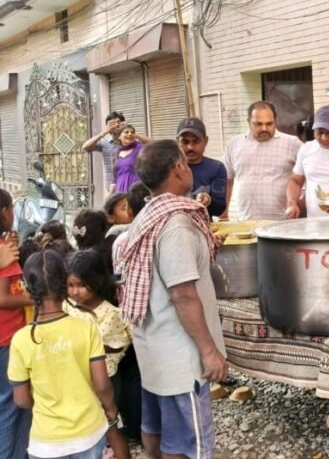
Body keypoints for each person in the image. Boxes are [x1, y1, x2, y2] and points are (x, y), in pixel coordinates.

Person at [117, 140, 227, 458]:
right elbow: (183, 294)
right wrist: (209, 352)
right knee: (190, 445)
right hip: (181, 358)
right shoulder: (175, 223)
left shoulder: (146, 215)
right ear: (178, 169)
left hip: (154, 351)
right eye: (185, 163)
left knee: (158, 432)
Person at [8, 249, 125, 459]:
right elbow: (102, 384)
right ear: (64, 286)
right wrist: (110, 408)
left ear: (27, 288)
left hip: (46, 441)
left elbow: (22, 400)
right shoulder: (86, 329)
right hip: (89, 432)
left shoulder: (20, 340)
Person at [65, 250, 133, 457]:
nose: (75, 291)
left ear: (96, 281)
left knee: (111, 424)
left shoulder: (113, 313)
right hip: (77, 378)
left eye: (80, 285)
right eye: (70, 285)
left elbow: (124, 343)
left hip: (106, 378)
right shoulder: (67, 307)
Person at [224, 101, 303, 221]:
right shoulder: (234, 144)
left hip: (283, 222)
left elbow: (308, 178)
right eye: (258, 124)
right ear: (248, 122)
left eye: (269, 123)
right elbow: (227, 181)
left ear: (275, 120)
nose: (264, 128)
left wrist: (298, 204)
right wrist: (223, 215)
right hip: (246, 221)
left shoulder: (293, 144)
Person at [0, 188, 31, 459]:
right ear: (5, 211)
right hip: (6, 338)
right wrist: (34, 299)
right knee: (11, 406)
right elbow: (3, 299)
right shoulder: (4, 253)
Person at [83, 111, 149, 196]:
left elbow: (151, 144)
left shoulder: (133, 143)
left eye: (118, 122)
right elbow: (86, 147)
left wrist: (129, 131)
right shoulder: (105, 143)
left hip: (133, 185)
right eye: (112, 124)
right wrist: (104, 132)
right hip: (113, 187)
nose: (116, 125)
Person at [177, 117, 228, 218]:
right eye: (185, 142)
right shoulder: (169, 168)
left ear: (206, 141)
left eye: (196, 141)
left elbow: (220, 208)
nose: (190, 147)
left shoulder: (216, 168)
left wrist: (208, 200)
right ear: (177, 142)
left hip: (203, 225)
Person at [113, 124, 144, 193]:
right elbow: (114, 179)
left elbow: (152, 143)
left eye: (132, 132)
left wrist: (136, 135)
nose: (130, 134)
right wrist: (109, 197)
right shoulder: (117, 153)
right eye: (126, 132)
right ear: (119, 137)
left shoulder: (140, 148)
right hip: (120, 190)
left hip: (136, 190)